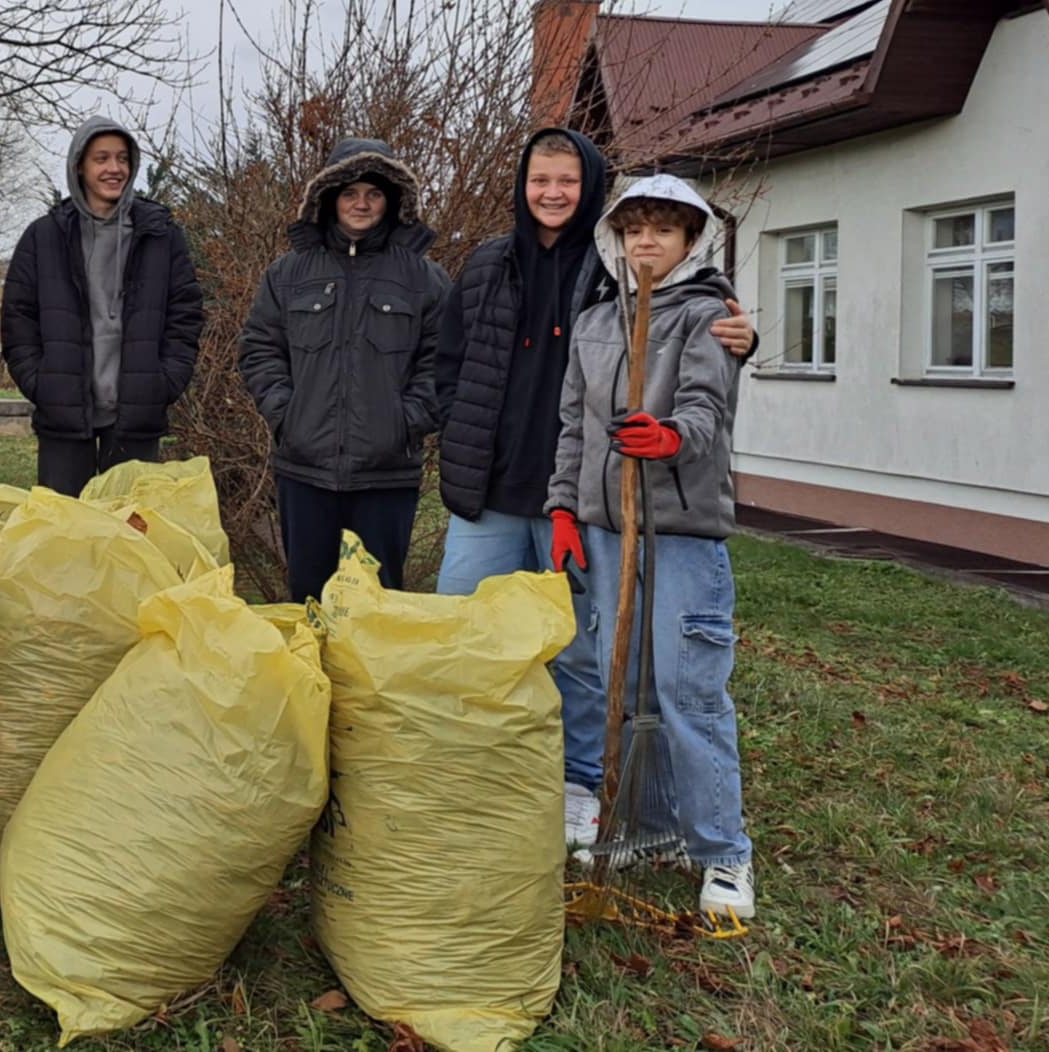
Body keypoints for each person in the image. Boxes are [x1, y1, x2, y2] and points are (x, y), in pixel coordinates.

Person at [433, 127, 756, 851]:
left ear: (591, 188)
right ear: (522, 185)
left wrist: (745, 338)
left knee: (582, 653)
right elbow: (448, 355)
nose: (551, 194)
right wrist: (451, 423)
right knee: (463, 631)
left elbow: (697, 306)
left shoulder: (610, 262)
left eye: (567, 181)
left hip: (583, 494)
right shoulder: (489, 263)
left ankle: (582, 783)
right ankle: (464, 769)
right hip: (488, 487)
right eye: (539, 180)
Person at [547, 173, 756, 922]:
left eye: (664, 230)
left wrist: (670, 438)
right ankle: (656, 827)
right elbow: (573, 426)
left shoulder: (708, 317)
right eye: (636, 228)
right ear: (617, 237)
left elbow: (706, 407)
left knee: (687, 691)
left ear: (689, 241)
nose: (647, 241)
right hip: (606, 532)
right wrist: (564, 510)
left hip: (680, 533)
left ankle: (724, 854)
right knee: (625, 686)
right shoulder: (600, 321)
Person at [238, 138, 450, 600]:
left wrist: (407, 422)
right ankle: (309, 674)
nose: (361, 203)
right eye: (349, 192)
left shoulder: (423, 277)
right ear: (328, 197)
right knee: (308, 601)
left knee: (381, 604)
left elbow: (444, 363)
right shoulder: (288, 273)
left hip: (388, 473)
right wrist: (286, 415)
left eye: (373, 193)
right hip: (304, 470)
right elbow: (259, 349)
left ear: (391, 200)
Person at [2, 116, 204, 496]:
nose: (114, 169)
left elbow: (186, 314)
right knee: (64, 533)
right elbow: (18, 319)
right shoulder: (43, 236)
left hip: (136, 410)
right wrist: (41, 381)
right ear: (79, 165)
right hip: (63, 409)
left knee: (130, 533)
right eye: (101, 159)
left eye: (122, 159)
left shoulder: (160, 234)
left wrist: (164, 382)